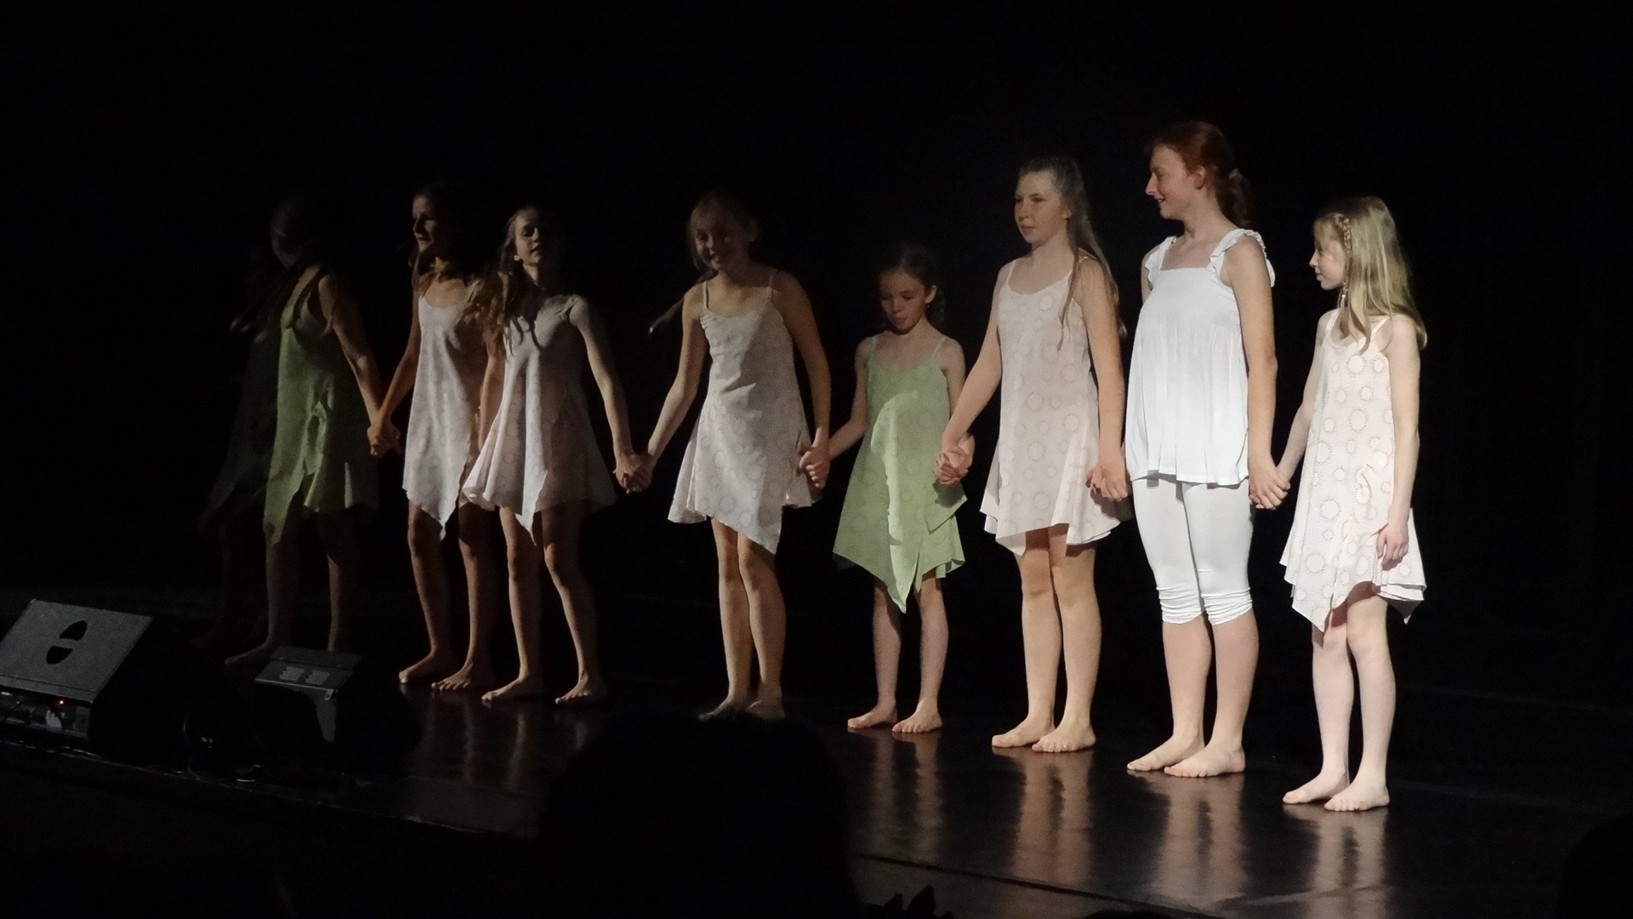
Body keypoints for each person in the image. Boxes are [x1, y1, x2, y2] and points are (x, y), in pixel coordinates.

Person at [938, 156, 1129, 753]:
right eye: (1019, 199)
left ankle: (1078, 717)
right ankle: (1038, 710)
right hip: (1023, 440)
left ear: (1067, 206)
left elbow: (1110, 371)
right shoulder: (1007, 276)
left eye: (1038, 199)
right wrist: (953, 431)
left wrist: (1110, 450)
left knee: (1071, 578)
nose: (1024, 210)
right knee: (1032, 579)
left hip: (1072, 439)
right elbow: (989, 362)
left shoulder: (1085, 274)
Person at [1123, 122, 1283, 777]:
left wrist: (1260, 454)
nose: (1150, 187)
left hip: (1216, 446)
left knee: (1223, 589)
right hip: (1156, 448)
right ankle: (1185, 730)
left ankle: (1227, 739)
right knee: (1174, 593)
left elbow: (1263, 361)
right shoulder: (1154, 262)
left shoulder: (1239, 253)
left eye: (1161, 173)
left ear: (1198, 173)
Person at [639, 191, 831, 721]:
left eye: (723, 232)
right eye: (702, 236)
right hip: (720, 434)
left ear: (748, 231)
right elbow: (684, 386)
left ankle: (772, 691)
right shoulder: (697, 300)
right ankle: (736, 689)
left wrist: (820, 439)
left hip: (769, 433)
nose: (712, 244)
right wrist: (650, 453)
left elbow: (817, 364)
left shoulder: (779, 287)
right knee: (727, 559)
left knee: (753, 557)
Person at [1277, 196, 1426, 812]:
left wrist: (1396, 514)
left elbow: (1407, 429)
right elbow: (1309, 408)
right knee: (1325, 632)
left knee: (1365, 633)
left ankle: (1373, 774)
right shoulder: (1326, 327)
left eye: (1324, 251)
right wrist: (1282, 471)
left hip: (1371, 500)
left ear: (1357, 256)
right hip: (1326, 497)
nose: (1314, 261)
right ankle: (1333, 766)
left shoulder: (1396, 330)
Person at [463, 206, 644, 703]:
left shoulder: (574, 308)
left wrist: (622, 448)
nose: (537, 236)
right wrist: (483, 444)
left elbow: (607, 381)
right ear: (514, 249)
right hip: (515, 443)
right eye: (527, 231)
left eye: (544, 229)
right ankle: (529, 672)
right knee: (517, 558)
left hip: (560, 441)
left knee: (558, 558)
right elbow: (494, 376)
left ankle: (590, 674)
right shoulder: (507, 313)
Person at [227, 196, 385, 667]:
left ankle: (338, 643)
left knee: (333, 525)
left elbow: (359, 355)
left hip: (327, 418)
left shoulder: (327, 283)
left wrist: (378, 417)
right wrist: (271, 408)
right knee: (276, 525)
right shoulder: (294, 283)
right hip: (296, 422)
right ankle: (276, 637)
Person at [831, 243, 968, 734]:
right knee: (882, 590)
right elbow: (859, 421)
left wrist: (961, 458)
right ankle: (886, 700)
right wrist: (821, 454)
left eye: (906, 296)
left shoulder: (947, 351)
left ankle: (928, 702)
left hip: (926, 486)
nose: (895, 306)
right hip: (879, 482)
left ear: (929, 293)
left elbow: (962, 426)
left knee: (928, 589)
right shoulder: (869, 350)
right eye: (887, 297)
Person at [370, 182, 500, 689]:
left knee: (470, 539)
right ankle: (440, 647)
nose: (418, 227)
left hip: (468, 424)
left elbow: (495, 360)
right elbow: (412, 353)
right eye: (415, 218)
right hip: (430, 423)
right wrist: (383, 414)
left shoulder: (481, 287)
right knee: (418, 534)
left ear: (453, 223)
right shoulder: (423, 281)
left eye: (427, 217)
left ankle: (477, 658)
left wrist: (484, 427)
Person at [196, 244, 283, 653]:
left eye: (256, 271)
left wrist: (274, 406)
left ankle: (246, 621)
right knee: (230, 527)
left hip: (271, 436)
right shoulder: (257, 316)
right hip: (248, 436)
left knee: (237, 523)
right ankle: (251, 616)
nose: (249, 280)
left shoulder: (284, 315)